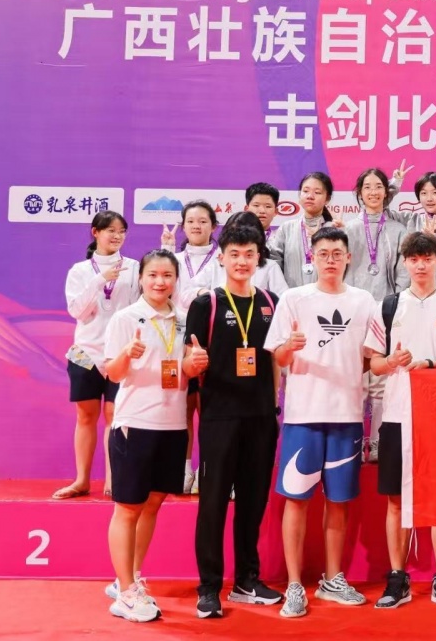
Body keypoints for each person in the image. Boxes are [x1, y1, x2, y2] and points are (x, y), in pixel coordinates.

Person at [265, 227, 376, 618]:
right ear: (312, 258)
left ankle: (332, 579)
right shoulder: (294, 298)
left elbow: (371, 357)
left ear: (348, 258)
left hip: (347, 415)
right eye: (323, 253)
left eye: (337, 253)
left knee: (339, 502)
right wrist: (289, 347)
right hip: (303, 416)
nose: (330, 259)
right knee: (297, 501)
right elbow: (278, 357)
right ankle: (295, 585)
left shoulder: (364, 301)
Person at [365, 232, 436, 610]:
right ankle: (398, 578)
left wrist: (429, 364)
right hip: (397, 414)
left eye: (427, 258)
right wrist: (391, 362)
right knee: (396, 499)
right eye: (414, 259)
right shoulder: (389, 306)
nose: (421, 265)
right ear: (405, 263)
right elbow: (373, 362)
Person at [185, 222, 283, 619]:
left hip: (261, 418)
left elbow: (275, 362)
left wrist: (273, 406)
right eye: (235, 254)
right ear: (222, 258)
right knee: (212, 505)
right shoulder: (205, 304)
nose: (242, 261)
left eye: (249, 254)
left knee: (253, 503)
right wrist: (192, 363)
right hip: (220, 418)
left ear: (259, 258)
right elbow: (187, 364)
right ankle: (209, 587)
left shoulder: (272, 302)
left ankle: (246, 580)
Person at [102, 250, 191, 622]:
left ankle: (130, 577)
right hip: (135, 423)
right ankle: (125, 593)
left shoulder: (184, 320)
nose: (160, 282)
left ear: (175, 279)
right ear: (141, 278)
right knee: (128, 507)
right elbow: (112, 373)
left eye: (167, 275)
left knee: (153, 503)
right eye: (153, 274)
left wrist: (193, 365)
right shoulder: (125, 318)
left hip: (173, 424)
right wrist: (127, 354)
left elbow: (185, 370)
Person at [55, 210, 139, 500]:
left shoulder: (134, 267)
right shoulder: (80, 271)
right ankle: (81, 480)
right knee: (85, 416)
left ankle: (114, 480)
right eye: (110, 230)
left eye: (121, 231)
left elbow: (139, 307)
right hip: (85, 353)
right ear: (95, 232)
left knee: (115, 415)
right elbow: (78, 311)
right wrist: (99, 280)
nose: (117, 236)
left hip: (120, 353)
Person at [347, 167, 411, 463]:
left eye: (378, 186)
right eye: (367, 187)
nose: (373, 192)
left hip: (386, 311)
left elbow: (402, 273)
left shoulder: (398, 230)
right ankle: (353, 442)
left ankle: (376, 442)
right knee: (355, 377)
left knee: (382, 379)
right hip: (353, 311)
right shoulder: (347, 229)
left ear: (387, 192)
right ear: (359, 193)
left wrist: (392, 306)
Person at [163, 200, 219, 494]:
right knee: (180, 408)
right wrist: (166, 251)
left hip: (210, 339)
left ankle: (206, 469)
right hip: (174, 340)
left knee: (207, 409)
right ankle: (183, 469)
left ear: (214, 226)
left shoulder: (222, 258)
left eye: (203, 221)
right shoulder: (174, 258)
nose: (197, 226)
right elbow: (163, 292)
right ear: (183, 225)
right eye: (191, 221)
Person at [268, 171, 339, 288]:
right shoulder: (287, 228)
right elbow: (275, 265)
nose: (310, 196)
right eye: (305, 191)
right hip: (291, 295)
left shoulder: (334, 230)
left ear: (327, 198)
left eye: (317, 192)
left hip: (326, 295)